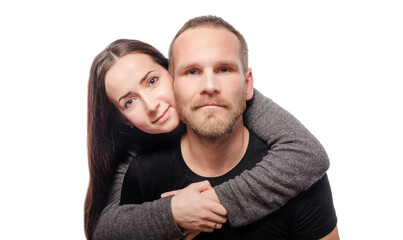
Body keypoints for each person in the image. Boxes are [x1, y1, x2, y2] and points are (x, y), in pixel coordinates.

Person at [85, 24, 330, 240]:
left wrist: (211, 203)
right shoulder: (133, 156)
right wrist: (173, 212)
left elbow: (307, 154)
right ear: (123, 120)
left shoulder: (231, 98)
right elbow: (106, 230)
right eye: (129, 102)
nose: (151, 105)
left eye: (152, 81)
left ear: (172, 73)